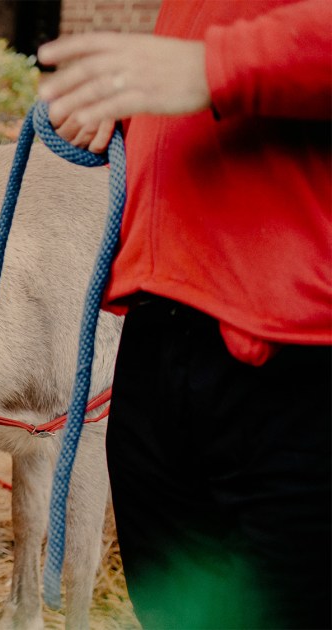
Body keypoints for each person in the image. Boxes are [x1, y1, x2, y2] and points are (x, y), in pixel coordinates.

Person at [38, 1, 331, 627]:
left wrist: (213, 66)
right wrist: (133, 108)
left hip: (296, 351)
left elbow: (220, 69)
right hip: (158, 335)